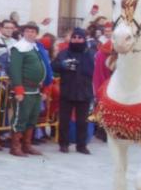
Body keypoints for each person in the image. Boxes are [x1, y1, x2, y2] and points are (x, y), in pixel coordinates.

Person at [8, 21, 53, 156]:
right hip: (25, 88)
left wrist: (45, 88)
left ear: (36, 33)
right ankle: (15, 146)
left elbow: (45, 66)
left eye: (33, 31)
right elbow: (15, 70)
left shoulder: (36, 47)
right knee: (20, 117)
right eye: (27, 31)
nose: (30, 33)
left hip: (36, 89)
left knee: (32, 118)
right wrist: (18, 90)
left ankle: (27, 144)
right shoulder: (18, 48)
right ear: (23, 32)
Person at [52, 28, 95, 154]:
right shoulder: (64, 53)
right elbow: (54, 66)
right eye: (74, 37)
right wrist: (63, 65)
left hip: (84, 91)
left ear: (84, 39)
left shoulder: (89, 53)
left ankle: (81, 145)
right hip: (67, 90)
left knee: (82, 121)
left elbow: (93, 70)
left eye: (79, 37)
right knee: (64, 119)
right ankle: (63, 144)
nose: (77, 40)